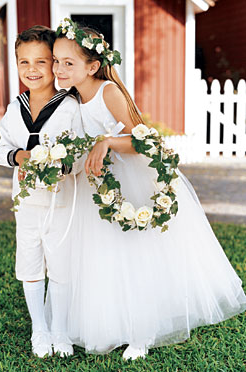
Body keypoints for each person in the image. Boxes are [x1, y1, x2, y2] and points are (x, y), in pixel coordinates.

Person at [50, 18, 246, 360]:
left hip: (129, 180)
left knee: (133, 252)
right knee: (101, 255)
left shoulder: (107, 92)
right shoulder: (69, 99)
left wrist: (108, 141)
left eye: (69, 62)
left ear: (93, 65)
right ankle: (109, 320)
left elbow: (146, 140)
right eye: (56, 60)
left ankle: (142, 331)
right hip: (94, 186)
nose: (59, 68)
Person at [0, 25, 83, 358]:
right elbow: (0, 148)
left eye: (41, 62)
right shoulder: (13, 108)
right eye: (24, 62)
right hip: (26, 203)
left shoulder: (70, 106)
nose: (32, 70)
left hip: (61, 202)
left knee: (59, 267)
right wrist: (17, 156)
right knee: (30, 264)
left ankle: (59, 330)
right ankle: (39, 329)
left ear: (55, 65)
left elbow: (80, 153)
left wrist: (62, 166)